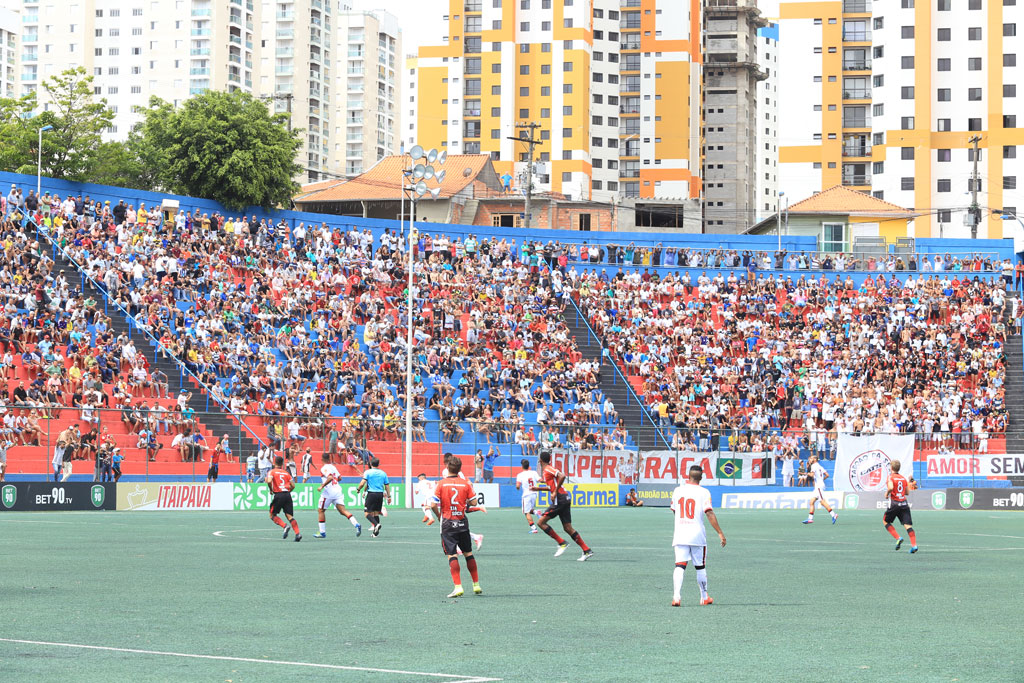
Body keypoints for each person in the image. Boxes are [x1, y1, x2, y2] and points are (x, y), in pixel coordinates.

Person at [670, 464, 727, 607]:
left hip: (680, 533)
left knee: (679, 565)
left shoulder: (677, 490)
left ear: (688, 476)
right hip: (696, 534)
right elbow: (709, 513)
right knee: (700, 567)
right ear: (701, 477)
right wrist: (720, 533)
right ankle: (704, 597)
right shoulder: (704, 492)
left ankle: (676, 597)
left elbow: (675, 510)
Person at [430, 457, 483, 598]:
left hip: (447, 523)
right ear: (460, 469)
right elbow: (474, 501)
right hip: (462, 522)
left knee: (452, 555)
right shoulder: (465, 484)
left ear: (447, 467)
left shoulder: (441, 484)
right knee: (468, 553)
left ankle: (458, 587)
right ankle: (476, 584)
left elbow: (433, 504)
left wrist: (439, 516)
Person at [532, 450, 593, 560]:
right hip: (565, 498)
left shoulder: (548, 469)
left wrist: (555, 492)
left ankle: (562, 543)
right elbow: (552, 487)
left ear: (540, 460)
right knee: (567, 528)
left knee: (541, 522)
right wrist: (538, 488)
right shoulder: (547, 471)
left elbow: (562, 476)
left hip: (559, 499)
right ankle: (586, 550)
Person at [313, 459, 361, 538]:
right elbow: (340, 478)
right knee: (343, 511)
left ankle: (322, 532)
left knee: (321, 510)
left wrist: (322, 485)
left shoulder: (324, 468)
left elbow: (330, 477)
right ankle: (356, 524)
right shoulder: (333, 467)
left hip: (328, 492)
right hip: (337, 490)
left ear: (322, 460)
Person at [882, 459, 918, 554]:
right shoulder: (903, 478)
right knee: (908, 526)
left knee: (885, 521)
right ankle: (914, 545)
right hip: (904, 504)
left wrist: (887, 494)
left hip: (894, 503)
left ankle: (898, 537)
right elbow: (907, 492)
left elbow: (890, 487)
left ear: (891, 468)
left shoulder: (890, 477)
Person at [266, 455, 302, 541]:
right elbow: (293, 485)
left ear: (274, 463)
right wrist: (289, 491)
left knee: (272, 515)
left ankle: (285, 526)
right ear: (282, 464)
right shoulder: (286, 473)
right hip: (287, 494)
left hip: (278, 495)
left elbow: (269, 481)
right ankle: (298, 534)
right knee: (289, 516)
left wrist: (271, 490)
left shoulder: (272, 472)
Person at [355, 457, 391, 537]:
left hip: (371, 494)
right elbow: (387, 485)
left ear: (371, 464)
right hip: (380, 495)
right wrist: (389, 496)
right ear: (379, 464)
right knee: (375, 513)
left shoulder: (368, 472)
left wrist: (358, 489)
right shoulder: (383, 473)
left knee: (367, 513)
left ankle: (376, 524)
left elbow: (362, 483)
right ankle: (375, 533)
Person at [801, 455, 838, 525]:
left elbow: (812, 475)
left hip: (818, 486)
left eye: (811, 458)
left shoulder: (814, 466)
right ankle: (810, 518)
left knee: (822, 502)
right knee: (811, 502)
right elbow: (827, 475)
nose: (810, 459)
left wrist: (807, 473)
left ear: (815, 459)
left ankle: (834, 515)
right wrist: (821, 480)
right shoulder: (820, 466)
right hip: (819, 485)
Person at [514, 459, 540, 533]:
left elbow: (518, 486)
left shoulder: (520, 475)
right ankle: (536, 512)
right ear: (529, 466)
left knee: (526, 512)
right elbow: (540, 480)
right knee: (529, 509)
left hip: (527, 495)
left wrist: (518, 487)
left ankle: (534, 528)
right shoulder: (534, 472)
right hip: (535, 494)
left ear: (522, 466)